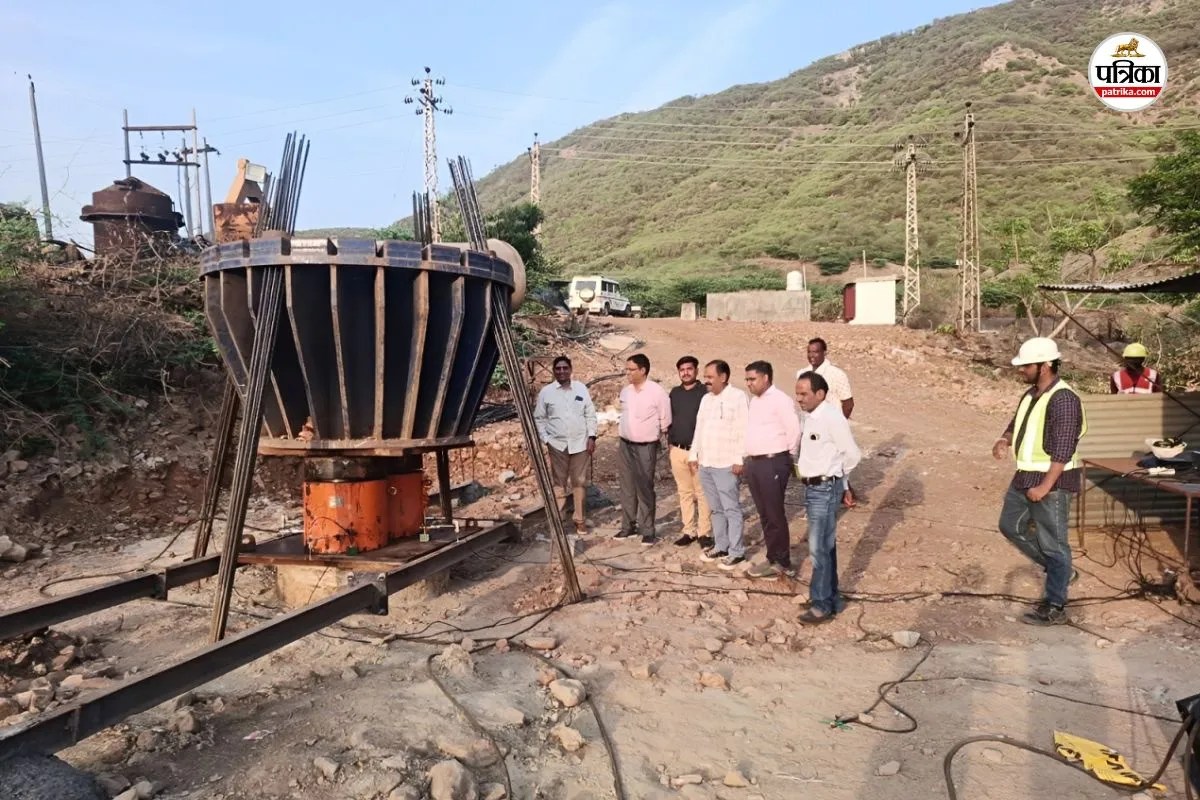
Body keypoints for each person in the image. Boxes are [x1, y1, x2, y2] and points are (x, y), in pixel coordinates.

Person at [992, 337, 1087, 626]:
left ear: (1045, 365)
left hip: (1052, 483)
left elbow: (1064, 447)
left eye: (1026, 366)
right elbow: (1016, 421)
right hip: (1025, 475)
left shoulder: (1065, 399)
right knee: (1010, 525)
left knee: (1054, 544)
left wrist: (1045, 486)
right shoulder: (1032, 394)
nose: (1021, 370)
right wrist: (1005, 439)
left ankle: (1055, 604)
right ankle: (1061, 571)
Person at [793, 372, 861, 624]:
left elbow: (852, 454)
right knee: (825, 546)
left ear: (820, 394)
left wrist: (841, 482)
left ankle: (821, 604)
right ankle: (828, 597)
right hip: (813, 488)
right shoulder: (809, 417)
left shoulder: (832, 417)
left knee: (818, 548)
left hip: (824, 488)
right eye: (797, 393)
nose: (799, 399)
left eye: (804, 394)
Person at [742, 360, 802, 578]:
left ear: (765, 378)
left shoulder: (781, 400)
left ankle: (782, 561)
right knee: (764, 513)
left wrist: (785, 458)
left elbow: (794, 430)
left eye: (752, 379)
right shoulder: (755, 401)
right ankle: (772, 556)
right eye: (747, 379)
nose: (748, 383)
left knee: (774, 512)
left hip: (773, 461)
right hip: (755, 462)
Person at [688, 360, 749, 570]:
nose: (706, 381)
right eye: (705, 377)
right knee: (715, 509)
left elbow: (743, 429)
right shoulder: (706, 399)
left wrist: (740, 459)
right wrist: (693, 454)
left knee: (731, 508)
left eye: (710, 377)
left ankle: (737, 551)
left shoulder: (738, 397)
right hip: (706, 463)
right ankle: (721, 545)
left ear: (723, 377)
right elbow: (699, 427)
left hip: (727, 464)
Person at [533, 356, 598, 534]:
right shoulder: (546, 392)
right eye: (558, 369)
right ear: (554, 371)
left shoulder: (580, 388)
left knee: (580, 482)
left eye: (565, 368)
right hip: (557, 445)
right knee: (559, 484)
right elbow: (539, 418)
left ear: (570, 369)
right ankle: (559, 522)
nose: (561, 371)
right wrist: (546, 439)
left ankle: (580, 520)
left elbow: (590, 414)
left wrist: (592, 436)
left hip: (580, 444)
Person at [616, 353, 671, 545]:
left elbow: (665, 421)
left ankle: (648, 530)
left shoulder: (657, 393)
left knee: (645, 488)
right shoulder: (626, 392)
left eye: (631, 369)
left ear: (643, 370)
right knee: (627, 487)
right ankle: (628, 526)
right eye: (627, 369)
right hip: (625, 445)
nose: (627, 373)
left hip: (645, 447)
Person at [796, 338, 857, 508]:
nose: (812, 355)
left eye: (816, 352)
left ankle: (843, 494)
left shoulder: (837, 375)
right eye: (809, 352)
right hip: (811, 427)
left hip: (831, 429)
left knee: (835, 465)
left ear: (824, 353)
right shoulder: (802, 373)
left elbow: (848, 402)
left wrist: (838, 426)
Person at [669, 356, 713, 549]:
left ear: (696, 370)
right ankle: (689, 531)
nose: (685, 372)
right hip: (677, 450)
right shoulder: (674, 393)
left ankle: (705, 532)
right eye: (682, 369)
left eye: (689, 369)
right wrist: (670, 443)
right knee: (684, 492)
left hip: (699, 451)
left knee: (702, 493)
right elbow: (670, 418)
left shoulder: (705, 392)